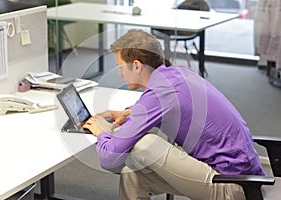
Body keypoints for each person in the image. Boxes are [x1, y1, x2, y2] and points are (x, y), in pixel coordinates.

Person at [83, 29, 264, 200]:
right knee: (132, 174)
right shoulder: (177, 74)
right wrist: (129, 113)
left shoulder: (159, 95)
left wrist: (102, 132)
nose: (120, 74)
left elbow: (108, 159)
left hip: (234, 187)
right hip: (247, 177)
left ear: (137, 66)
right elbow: (167, 104)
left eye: (121, 67)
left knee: (143, 145)